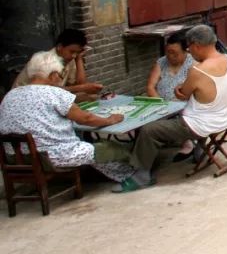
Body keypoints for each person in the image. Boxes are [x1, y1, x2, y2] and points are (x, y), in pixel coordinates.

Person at [115, 24, 227, 192]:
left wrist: (180, 88)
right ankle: (199, 150)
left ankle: (141, 176)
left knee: (149, 130)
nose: (190, 52)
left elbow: (182, 94)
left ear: (196, 45)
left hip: (201, 123)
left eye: (189, 48)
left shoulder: (198, 70)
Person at [0, 51, 133, 182]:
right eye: (60, 74)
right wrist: (110, 119)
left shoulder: (10, 95)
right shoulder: (54, 93)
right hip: (50, 158)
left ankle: (98, 172)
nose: (59, 78)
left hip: (15, 158)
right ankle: (131, 176)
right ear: (53, 74)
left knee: (87, 147)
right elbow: (86, 119)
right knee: (111, 148)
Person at [12, 28, 103, 99]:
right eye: (72, 52)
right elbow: (45, 92)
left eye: (77, 52)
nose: (74, 55)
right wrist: (81, 88)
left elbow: (80, 83)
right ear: (60, 47)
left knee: (90, 97)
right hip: (27, 99)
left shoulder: (69, 59)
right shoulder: (44, 61)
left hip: (48, 97)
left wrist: (79, 59)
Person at [145, 32, 195, 100]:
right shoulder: (161, 62)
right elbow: (150, 87)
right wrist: (162, 104)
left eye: (174, 53)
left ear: (185, 51)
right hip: (162, 105)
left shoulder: (193, 64)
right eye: (168, 52)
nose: (170, 56)